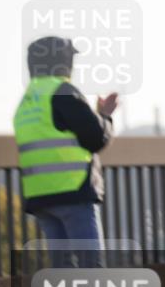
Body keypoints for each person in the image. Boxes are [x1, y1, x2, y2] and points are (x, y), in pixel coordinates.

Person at [13, 35, 118, 268]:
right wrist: (105, 115)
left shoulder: (28, 100)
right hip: (73, 193)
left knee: (63, 272)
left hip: (41, 197)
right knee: (91, 268)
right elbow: (96, 138)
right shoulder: (62, 91)